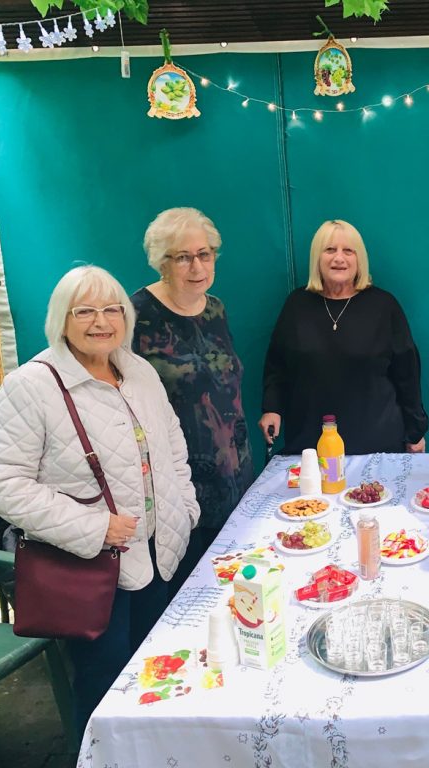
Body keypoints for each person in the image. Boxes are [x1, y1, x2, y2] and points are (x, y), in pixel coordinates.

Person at [0, 265, 200, 736]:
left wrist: (184, 505)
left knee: (156, 674)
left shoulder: (137, 370)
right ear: (62, 319)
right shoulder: (32, 385)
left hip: (158, 551)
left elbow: (172, 444)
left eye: (112, 309)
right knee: (105, 686)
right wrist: (93, 528)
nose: (102, 321)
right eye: (86, 311)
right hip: (93, 568)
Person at [135, 208, 254, 589]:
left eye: (205, 254)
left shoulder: (216, 307)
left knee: (239, 581)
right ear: (162, 262)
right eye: (183, 257)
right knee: (192, 590)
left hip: (234, 468)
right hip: (181, 478)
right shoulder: (135, 315)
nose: (197, 266)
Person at [260, 219, 428, 455]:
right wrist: (272, 408)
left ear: (359, 259)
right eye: (330, 250)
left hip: (378, 444)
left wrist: (415, 431)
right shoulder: (297, 305)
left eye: (348, 251)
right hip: (311, 444)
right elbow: (277, 367)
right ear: (317, 257)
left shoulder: (383, 305)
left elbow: (407, 374)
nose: (339, 258)